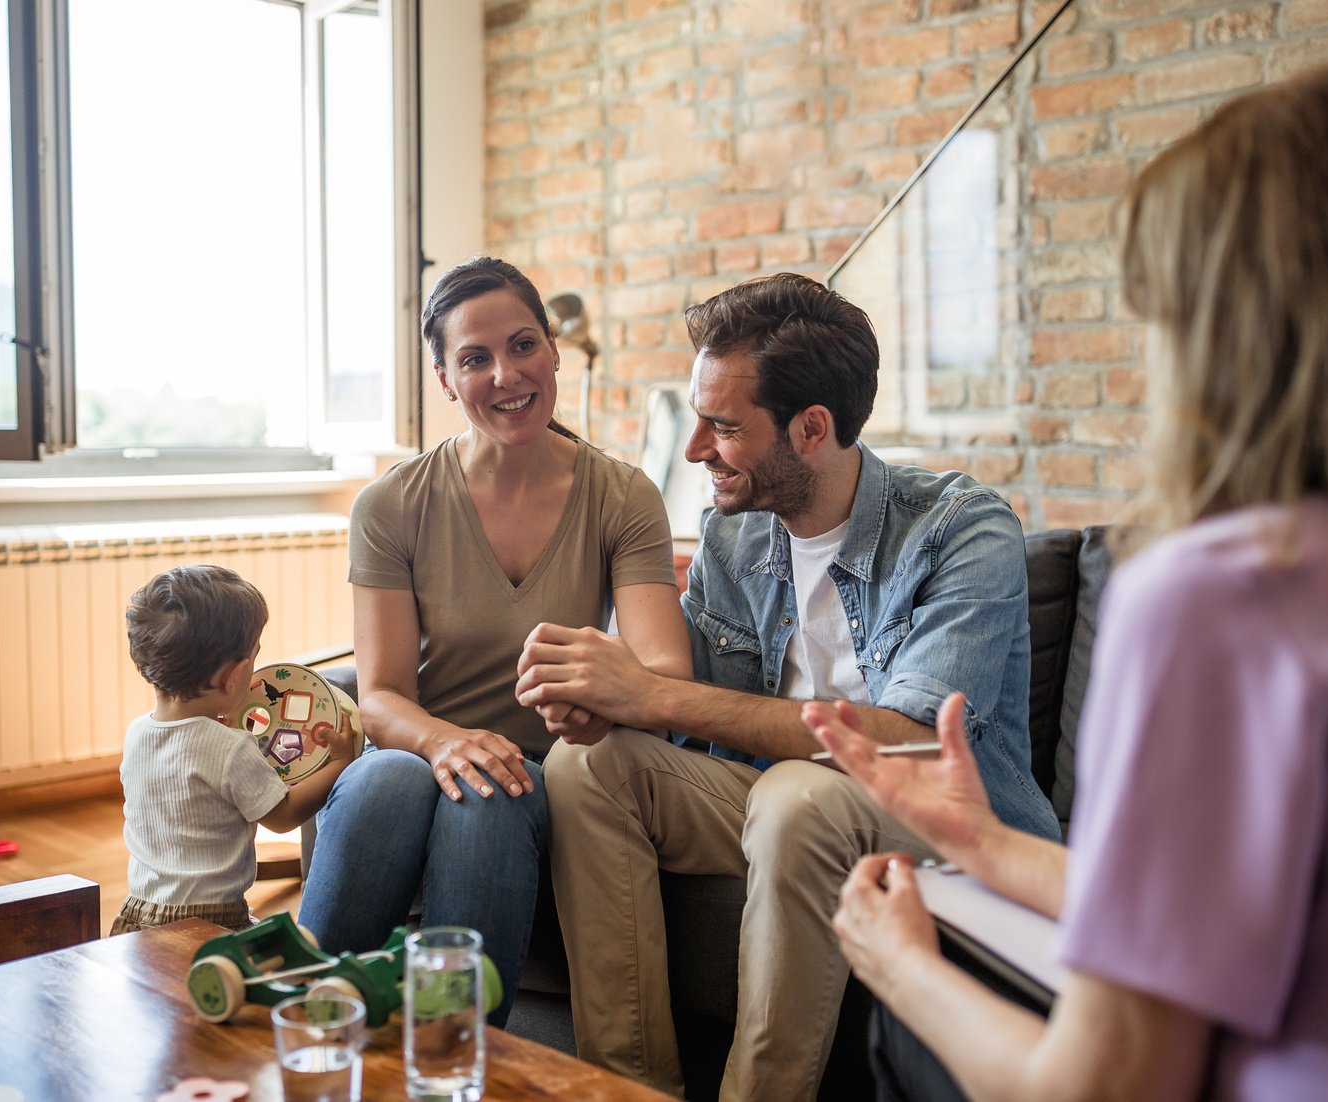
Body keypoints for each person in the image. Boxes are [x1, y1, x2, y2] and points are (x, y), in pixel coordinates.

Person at [807, 61, 1328, 1102]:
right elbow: (1292, 920)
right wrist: (985, 843)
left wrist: (898, 964)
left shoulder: (1224, 595)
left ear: (1233, 335)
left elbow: (1104, 1088)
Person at [515, 272, 1062, 1100]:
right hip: (776, 803)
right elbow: (679, 708)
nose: (696, 448)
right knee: (587, 771)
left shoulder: (960, 529)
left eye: (723, 426)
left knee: (800, 797)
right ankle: (627, 1091)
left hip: (942, 826)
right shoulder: (734, 537)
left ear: (811, 429)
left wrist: (653, 696)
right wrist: (599, 696)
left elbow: (904, 743)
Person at [298, 256, 690, 1025]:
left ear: (549, 349)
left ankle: (451, 1046)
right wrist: (443, 743)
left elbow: (665, 670)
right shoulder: (391, 505)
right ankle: (305, 1015)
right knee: (388, 780)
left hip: (543, 771)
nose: (507, 374)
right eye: (475, 358)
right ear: (445, 378)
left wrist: (608, 705)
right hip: (418, 752)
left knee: (493, 791)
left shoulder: (622, 494)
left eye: (522, 346)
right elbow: (376, 696)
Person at [113, 564, 349, 935]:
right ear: (234, 676)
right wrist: (339, 763)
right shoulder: (229, 747)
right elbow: (283, 815)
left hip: (139, 915)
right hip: (213, 920)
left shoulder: (137, 733)